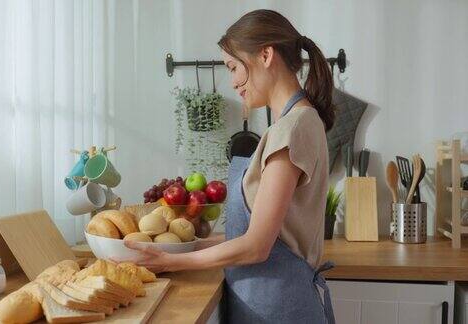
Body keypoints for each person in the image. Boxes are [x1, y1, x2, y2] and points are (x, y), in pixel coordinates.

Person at [122, 9, 336, 323]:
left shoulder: (292, 129)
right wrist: (188, 245)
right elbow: (263, 235)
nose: (233, 82)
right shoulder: (299, 121)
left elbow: (257, 247)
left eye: (233, 67)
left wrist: (171, 261)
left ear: (265, 55)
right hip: (270, 303)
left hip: (277, 309)